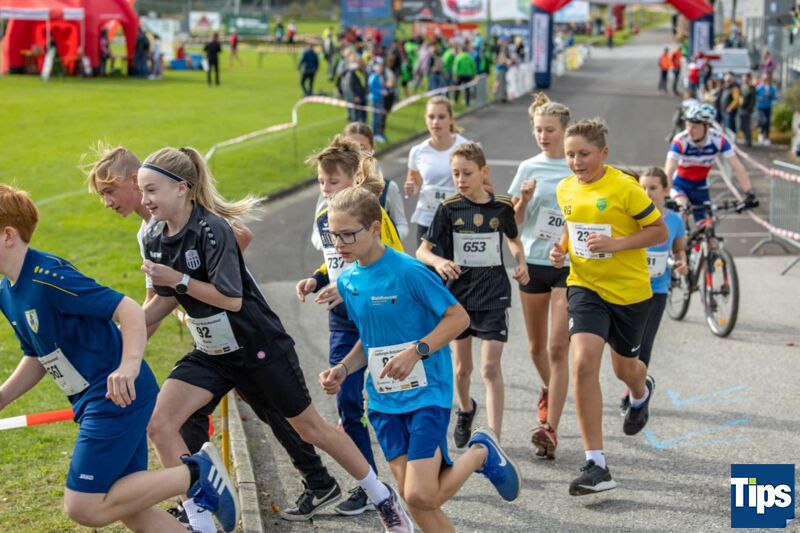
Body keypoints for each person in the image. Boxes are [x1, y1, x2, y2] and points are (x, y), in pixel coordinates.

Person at [137, 147, 410, 532]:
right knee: (160, 424)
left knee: (310, 428)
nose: (145, 200)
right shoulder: (153, 236)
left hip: (257, 345)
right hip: (212, 351)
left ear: (181, 188)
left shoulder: (212, 230)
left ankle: (382, 497)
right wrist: (122, 329)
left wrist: (179, 280)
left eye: (151, 190)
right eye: (142, 191)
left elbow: (231, 299)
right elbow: (166, 300)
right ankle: (199, 521)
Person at [83, 144, 343, 527]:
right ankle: (196, 499)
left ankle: (323, 481)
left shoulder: (187, 212)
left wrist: (195, 280)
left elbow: (241, 236)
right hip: (211, 336)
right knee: (184, 417)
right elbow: (158, 301)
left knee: (274, 409)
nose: (107, 202)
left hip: (245, 327)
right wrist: (128, 343)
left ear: (133, 181)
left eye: (109, 191)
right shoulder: (150, 231)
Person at [0, 184, 239, 532]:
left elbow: (127, 309)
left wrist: (129, 365)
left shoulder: (48, 277)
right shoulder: (7, 292)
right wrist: (3, 397)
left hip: (116, 396)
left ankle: (197, 472)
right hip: (93, 400)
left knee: (84, 506)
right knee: (127, 505)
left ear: (8, 235)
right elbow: (39, 355)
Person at [320, 186, 521, 532]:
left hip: (427, 394)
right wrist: (343, 368)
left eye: (348, 234)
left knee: (420, 494)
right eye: (333, 235)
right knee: (416, 500)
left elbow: (458, 319)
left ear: (374, 228)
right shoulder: (349, 281)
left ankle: (481, 453)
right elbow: (370, 340)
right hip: (383, 402)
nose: (339, 243)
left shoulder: (409, 271)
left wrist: (416, 352)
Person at [550, 119, 667, 495]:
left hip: (630, 293)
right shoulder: (565, 188)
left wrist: (616, 244)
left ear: (603, 153)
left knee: (625, 370)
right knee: (583, 362)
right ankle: (596, 463)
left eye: (584, 154)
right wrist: (560, 249)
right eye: (570, 154)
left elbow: (659, 231)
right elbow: (571, 227)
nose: (576, 162)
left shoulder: (624, 187)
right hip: (585, 286)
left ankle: (640, 392)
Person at [297, 135, 403, 517]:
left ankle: (422, 471)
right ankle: (370, 485)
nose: (325, 189)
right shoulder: (324, 218)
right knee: (346, 400)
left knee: (393, 401)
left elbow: (394, 264)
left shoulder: (375, 218)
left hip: (380, 318)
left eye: (333, 181)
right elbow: (335, 261)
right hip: (343, 322)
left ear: (355, 180)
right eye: (321, 182)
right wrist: (316, 279)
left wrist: (347, 288)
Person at [416, 142, 529, 448]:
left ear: (483, 172)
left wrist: (520, 261)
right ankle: (466, 409)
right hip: (459, 300)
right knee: (462, 369)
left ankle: (494, 439)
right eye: (455, 173)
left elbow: (513, 239)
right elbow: (422, 251)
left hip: (493, 296)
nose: (460, 179)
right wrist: (439, 262)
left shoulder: (501, 207)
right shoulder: (449, 208)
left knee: (490, 368)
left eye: (467, 173)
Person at [508, 94, 572, 459]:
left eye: (550, 130)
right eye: (538, 130)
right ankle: (551, 388)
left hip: (567, 265)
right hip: (533, 262)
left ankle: (550, 428)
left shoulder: (576, 166)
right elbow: (513, 225)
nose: (544, 136)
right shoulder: (528, 167)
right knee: (536, 347)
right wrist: (525, 200)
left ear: (565, 130)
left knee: (557, 347)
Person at [619, 167, 687, 412]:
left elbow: (679, 249)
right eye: (643, 188)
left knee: (644, 344)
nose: (647, 193)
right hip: (629, 289)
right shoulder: (631, 218)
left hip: (657, 291)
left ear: (665, 190)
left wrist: (681, 262)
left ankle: (633, 393)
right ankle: (636, 383)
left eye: (653, 188)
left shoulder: (674, 221)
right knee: (625, 347)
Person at [664, 103, 758, 222]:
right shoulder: (680, 140)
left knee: (708, 225)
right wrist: (666, 195)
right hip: (680, 185)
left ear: (706, 127)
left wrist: (749, 193)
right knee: (682, 212)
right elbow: (669, 169)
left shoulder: (718, 139)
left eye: (694, 127)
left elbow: (737, 167)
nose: (689, 130)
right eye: (687, 125)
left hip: (701, 186)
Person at [404, 97, 470, 243]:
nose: (435, 122)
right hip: (427, 220)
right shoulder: (417, 151)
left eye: (441, 117)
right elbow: (413, 181)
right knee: (423, 258)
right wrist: (411, 187)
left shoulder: (466, 148)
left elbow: (483, 185)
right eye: (431, 117)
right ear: (425, 119)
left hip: (458, 219)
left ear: (451, 119)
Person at [343, 122, 408, 239]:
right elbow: (318, 229)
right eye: (351, 148)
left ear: (373, 147)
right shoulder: (332, 186)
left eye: (362, 147)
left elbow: (402, 225)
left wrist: (385, 242)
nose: (356, 153)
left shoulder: (388, 187)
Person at [755, 74, 778, 146]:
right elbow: (755, 96)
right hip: (760, 107)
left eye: (767, 79)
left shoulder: (771, 88)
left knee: (768, 122)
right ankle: (761, 134)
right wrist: (761, 98)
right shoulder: (759, 87)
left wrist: (770, 95)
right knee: (763, 120)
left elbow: (775, 97)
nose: (765, 80)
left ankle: (767, 137)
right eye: (764, 79)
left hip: (768, 107)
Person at [368, 59, 387, 143]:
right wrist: (381, 92)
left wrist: (385, 89)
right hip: (375, 99)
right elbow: (372, 89)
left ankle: (378, 133)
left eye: (381, 67)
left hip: (379, 98)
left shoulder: (380, 77)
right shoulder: (373, 77)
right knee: (376, 117)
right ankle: (375, 134)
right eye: (379, 67)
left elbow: (382, 86)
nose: (381, 68)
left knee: (379, 117)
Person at [740, 72, 756, 147]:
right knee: (742, 126)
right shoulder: (741, 87)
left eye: (746, 78)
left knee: (746, 126)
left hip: (747, 109)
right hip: (741, 108)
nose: (744, 79)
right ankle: (746, 139)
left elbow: (753, 100)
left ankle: (748, 141)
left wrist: (749, 109)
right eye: (743, 78)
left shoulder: (751, 88)